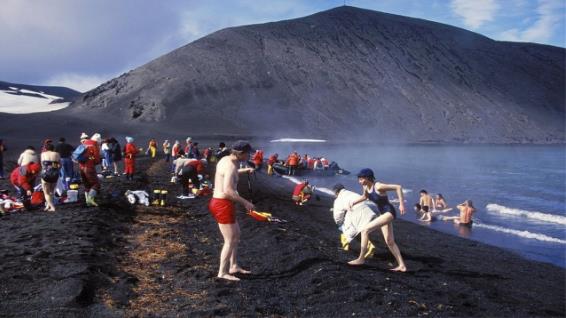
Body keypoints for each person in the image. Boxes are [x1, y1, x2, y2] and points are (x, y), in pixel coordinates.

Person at [208, 140, 255, 281]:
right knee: (230, 239)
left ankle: (233, 265)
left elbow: (229, 174)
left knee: (237, 235)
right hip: (222, 204)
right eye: (248, 154)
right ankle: (222, 272)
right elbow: (228, 190)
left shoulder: (227, 159)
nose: (249, 157)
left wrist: (245, 170)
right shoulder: (230, 166)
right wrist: (246, 203)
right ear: (241, 153)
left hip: (223, 203)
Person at [349, 168, 407, 271]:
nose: (359, 181)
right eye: (359, 179)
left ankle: (361, 258)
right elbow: (364, 197)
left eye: (361, 179)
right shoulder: (366, 187)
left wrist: (401, 204)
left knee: (365, 230)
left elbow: (398, 187)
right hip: (383, 213)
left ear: (367, 177)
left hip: (389, 212)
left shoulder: (378, 186)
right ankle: (402, 265)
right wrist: (353, 202)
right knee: (390, 241)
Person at [332, 184, 377, 255]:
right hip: (369, 212)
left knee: (345, 230)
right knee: (361, 232)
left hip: (356, 213)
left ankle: (345, 248)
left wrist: (339, 223)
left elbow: (338, 215)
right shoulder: (352, 193)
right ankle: (370, 247)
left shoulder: (338, 199)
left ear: (336, 192)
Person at [79, 134, 101, 207]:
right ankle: (90, 199)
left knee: (87, 185)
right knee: (96, 184)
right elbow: (97, 158)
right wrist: (94, 161)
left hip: (81, 167)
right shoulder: (94, 144)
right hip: (89, 167)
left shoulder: (84, 143)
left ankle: (87, 202)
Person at [40, 144, 61, 212]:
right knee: (51, 191)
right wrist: (54, 166)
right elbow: (59, 165)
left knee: (46, 192)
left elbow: (42, 165)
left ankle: (52, 207)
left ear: (45, 148)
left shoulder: (43, 154)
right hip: (54, 174)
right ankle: (48, 205)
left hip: (46, 174)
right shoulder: (57, 154)